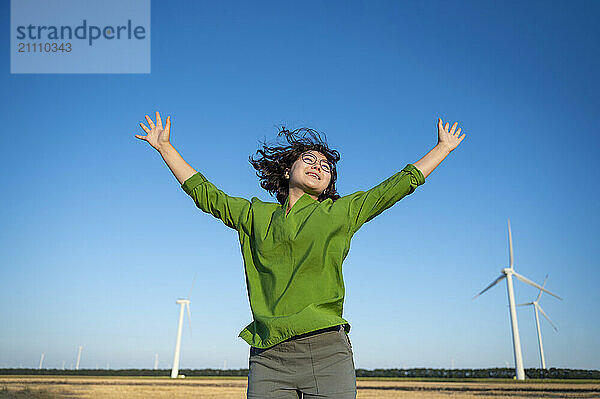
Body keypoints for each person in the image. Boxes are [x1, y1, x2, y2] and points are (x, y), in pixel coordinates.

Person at [135, 113, 465, 398]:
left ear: (329, 183)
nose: (318, 166)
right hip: (268, 356)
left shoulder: (341, 212)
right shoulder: (254, 214)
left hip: (327, 352)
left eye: (326, 166)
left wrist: (443, 148)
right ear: (286, 169)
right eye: (308, 159)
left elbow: (394, 187)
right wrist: (165, 148)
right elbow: (206, 194)